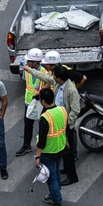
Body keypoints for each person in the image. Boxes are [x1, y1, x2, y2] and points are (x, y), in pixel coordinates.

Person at [42, 51, 81, 184]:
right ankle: (66, 169)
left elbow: (75, 111)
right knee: (64, 150)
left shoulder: (71, 90)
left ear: (59, 78)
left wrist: (65, 124)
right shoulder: (59, 84)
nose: (53, 78)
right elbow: (45, 78)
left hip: (65, 125)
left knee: (68, 151)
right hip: (60, 122)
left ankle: (72, 176)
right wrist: (29, 70)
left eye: (54, 76)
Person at [34, 87, 68, 206]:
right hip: (60, 147)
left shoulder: (45, 118)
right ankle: (54, 195)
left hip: (48, 152)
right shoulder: (62, 110)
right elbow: (66, 128)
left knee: (51, 179)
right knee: (56, 173)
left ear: (43, 101)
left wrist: (37, 156)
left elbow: (41, 141)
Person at [14, 51, 52, 156]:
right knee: (28, 125)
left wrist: (40, 92)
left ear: (35, 62)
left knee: (43, 126)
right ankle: (26, 145)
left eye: (29, 61)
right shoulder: (27, 70)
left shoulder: (45, 72)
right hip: (29, 103)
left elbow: (49, 84)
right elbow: (26, 82)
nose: (27, 62)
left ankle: (43, 146)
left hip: (41, 104)